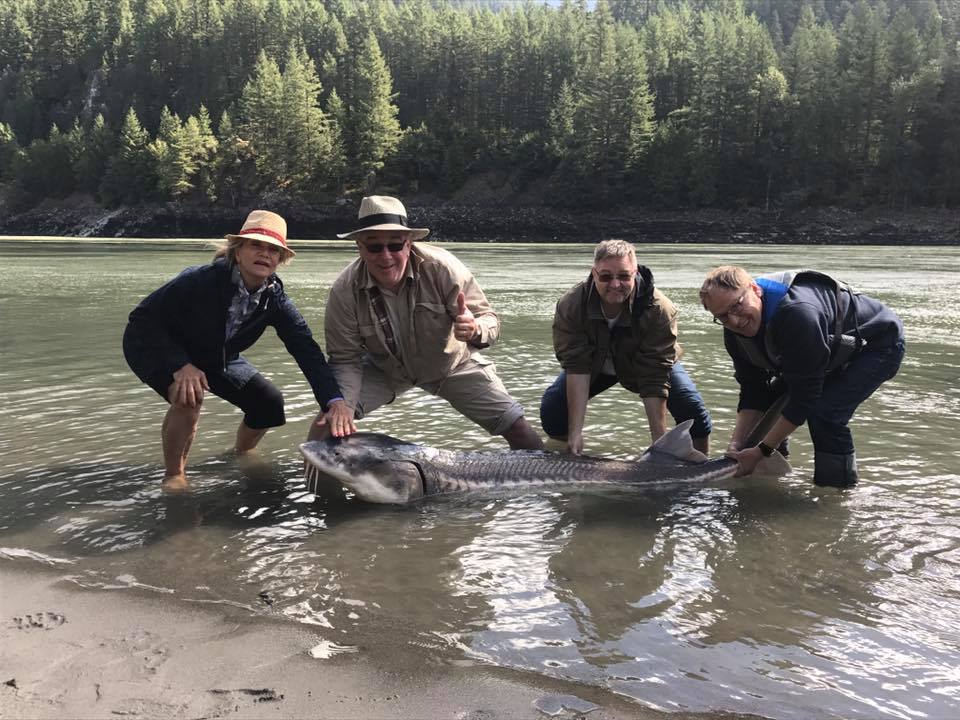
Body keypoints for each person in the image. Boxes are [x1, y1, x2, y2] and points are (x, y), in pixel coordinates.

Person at [123, 210, 355, 490]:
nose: (265, 254)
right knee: (189, 395)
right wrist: (180, 365)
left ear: (280, 260)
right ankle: (174, 475)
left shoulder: (275, 300)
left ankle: (240, 454)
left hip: (214, 354)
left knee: (268, 403)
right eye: (256, 245)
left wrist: (334, 400)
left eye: (273, 250)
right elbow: (142, 320)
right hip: (154, 345)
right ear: (238, 250)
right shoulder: (198, 280)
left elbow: (306, 349)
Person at [317, 195, 543, 449]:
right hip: (387, 370)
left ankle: (550, 486)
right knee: (326, 426)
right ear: (359, 247)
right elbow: (345, 358)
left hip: (451, 365)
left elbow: (490, 321)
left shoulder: (442, 267)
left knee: (519, 430)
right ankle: (322, 490)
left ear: (409, 244)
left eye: (395, 245)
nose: (386, 256)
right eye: (374, 247)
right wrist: (344, 406)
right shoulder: (344, 289)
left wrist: (474, 329)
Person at [699, 266, 905, 487]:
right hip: (822, 349)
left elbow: (804, 398)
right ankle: (774, 474)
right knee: (770, 406)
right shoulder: (734, 331)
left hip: (876, 345)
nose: (735, 321)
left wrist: (762, 449)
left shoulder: (798, 314)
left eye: (737, 306)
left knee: (825, 414)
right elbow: (753, 390)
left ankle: (838, 491)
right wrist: (736, 444)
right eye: (722, 316)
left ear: (755, 289)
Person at [540, 239, 712, 455]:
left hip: (642, 364)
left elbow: (654, 375)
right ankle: (569, 454)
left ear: (635, 272)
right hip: (596, 365)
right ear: (594, 274)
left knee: (692, 410)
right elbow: (577, 367)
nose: (615, 284)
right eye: (605, 276)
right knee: (553, 411)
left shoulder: (660, 308)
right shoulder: (571, 304)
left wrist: (659, 447)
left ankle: (701, 470)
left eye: (623, 276)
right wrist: (576, 434)